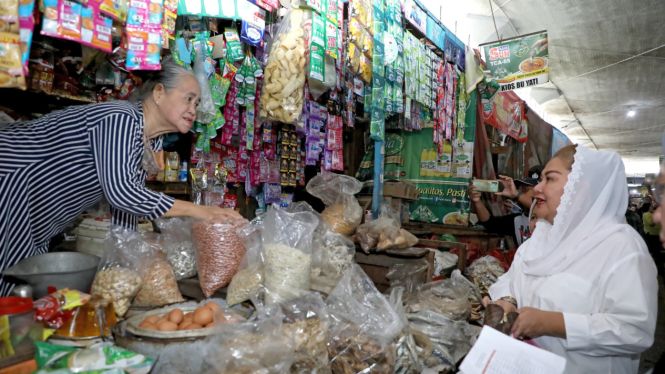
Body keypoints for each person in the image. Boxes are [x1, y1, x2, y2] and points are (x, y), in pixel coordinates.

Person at [0, 59, 240, 296]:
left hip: (37, 209)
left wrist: (128, 266)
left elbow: (126, 210)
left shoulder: (149, 140)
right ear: (159, 93)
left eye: (197, 103)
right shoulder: (121, 118)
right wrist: (200, 211)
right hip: (12, 182)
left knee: (23, 288)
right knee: (12, 285)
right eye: (188, 98)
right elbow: (123, 193)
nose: (193, 110)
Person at [483, 145, 657, 374]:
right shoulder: (542, 237)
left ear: (581, 188)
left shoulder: (621, 247)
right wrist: (507, 300)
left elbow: (634, 330)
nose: (537, 187)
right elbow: (512, 279)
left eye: (550, 179)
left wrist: (553, 323)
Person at [469, 166, 542, 246]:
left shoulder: (552, 217)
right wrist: (477, 201)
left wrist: (516, 194)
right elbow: (488, 222)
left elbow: (539, 206)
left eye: (525, 190)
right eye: (519, 190)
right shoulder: (517, 220)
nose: (521, 193)